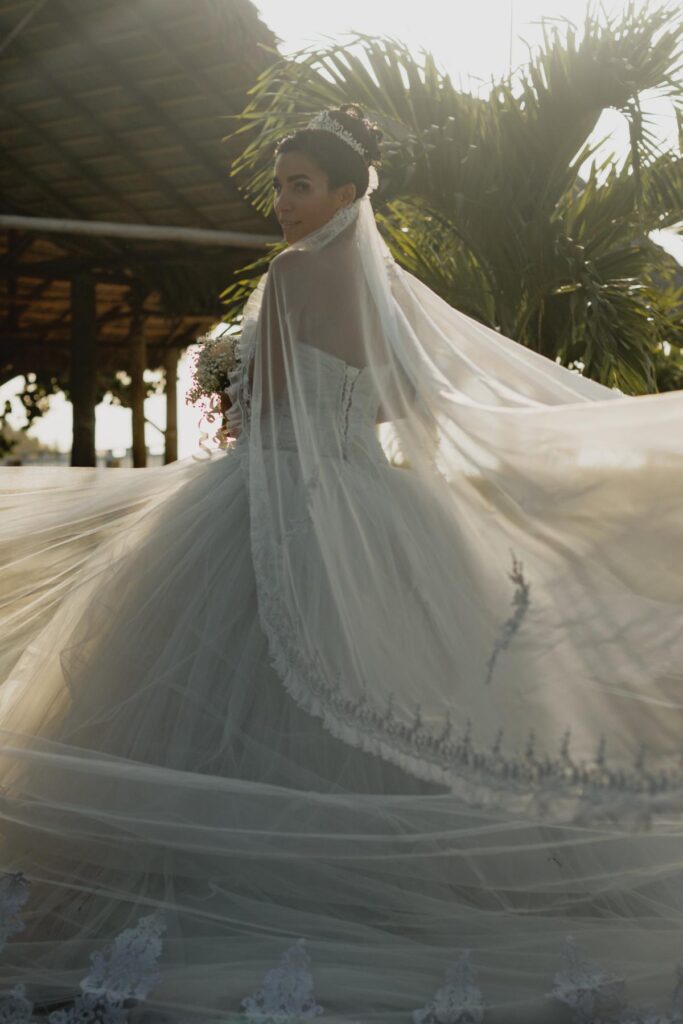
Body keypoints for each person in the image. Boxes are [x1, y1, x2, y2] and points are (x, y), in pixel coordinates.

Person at [1, 103, 683, 1024]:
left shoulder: (287, 276)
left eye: (300, 185)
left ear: (348, 191)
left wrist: (231, 383)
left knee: (211, 689)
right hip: (373, 501)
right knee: (399, 685)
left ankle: (227, 886)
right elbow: (390, 408)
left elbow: (269, 404)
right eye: (279, 187)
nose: (283, 204)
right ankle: (389, 890)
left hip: (272, 490)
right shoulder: (388, 290)